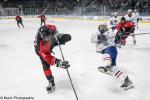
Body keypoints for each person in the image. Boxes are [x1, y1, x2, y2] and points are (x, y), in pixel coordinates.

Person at [91, 24, 134, 90]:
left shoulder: (110, 34)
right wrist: (99, 37)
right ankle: (126, 81)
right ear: (98, 28)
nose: (102, 28)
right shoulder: (96, 34)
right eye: (101, 27)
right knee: (114, 69)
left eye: (104, 27)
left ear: (106, 28)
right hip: (110, 52)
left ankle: (107, 66)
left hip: (110, 49)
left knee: (106, 55)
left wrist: (117, 40)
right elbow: (92, 40)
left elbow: (117, 44)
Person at [34, 24, 71, 93]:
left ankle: (56, 38)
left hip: (51, 39)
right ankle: (51, 81)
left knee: (68, 37)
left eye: (47, 37)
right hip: (42, 51)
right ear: (42, 36)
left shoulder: (48, 30)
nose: (46, 39)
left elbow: (55, 31)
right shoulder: (40, 47)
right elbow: (48, 58)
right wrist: (58, 62)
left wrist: (62, 36)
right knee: (45, 65)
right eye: (45, 37)